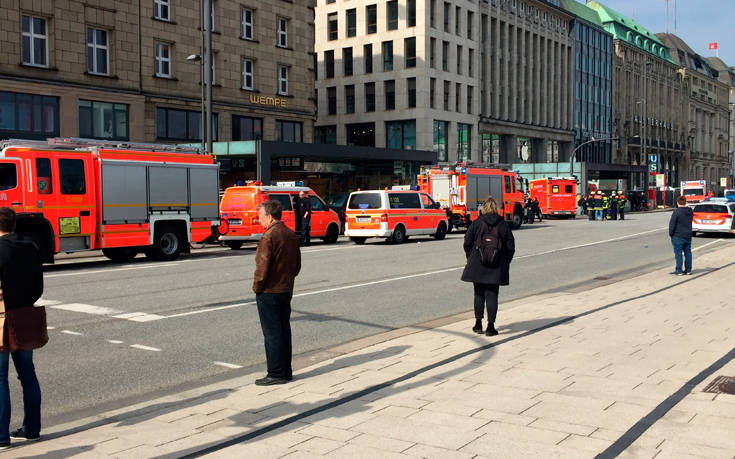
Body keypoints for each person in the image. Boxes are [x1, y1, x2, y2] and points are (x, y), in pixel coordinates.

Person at [0, 208, 44, 446]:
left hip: (2, 317)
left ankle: (1, 435)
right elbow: (39, 285)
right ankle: (32, 428)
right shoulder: (32, 247)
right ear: (14, 224)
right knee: (27, 374)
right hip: (25, 314)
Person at [252, 200, 302, 385]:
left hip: (269, 291)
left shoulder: (268, 237)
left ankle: (275, 372)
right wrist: (287, 280)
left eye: (261, 217)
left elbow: (262, 267)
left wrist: (257, 287)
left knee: (272, 333)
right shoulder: (290, 234)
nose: (259, 221)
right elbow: (297, 266)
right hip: (286, 289)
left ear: (270, 216)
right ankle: (286, 370)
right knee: (284, 330)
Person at [461, 197, 515, 336]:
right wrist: (505, 261)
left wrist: (471, 257)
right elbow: (510, 246)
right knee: (492, 295)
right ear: (496, 208)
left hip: (477, 264)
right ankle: (490, 327)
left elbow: (467, 242)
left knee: (478, 294)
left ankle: (478, 324)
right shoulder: (503, 224)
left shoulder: (477, 223)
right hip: (495, 266)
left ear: (483, 208)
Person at [669, 196, 693, 275]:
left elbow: (672, 224)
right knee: (688, 253)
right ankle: (688, 269)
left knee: (678, 253)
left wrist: (671, 234)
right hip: (688, 234)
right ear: (685, 202)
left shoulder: (676, 212)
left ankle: (679, 270)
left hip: (678, 235)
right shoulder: (690, 211)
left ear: (677, 203)